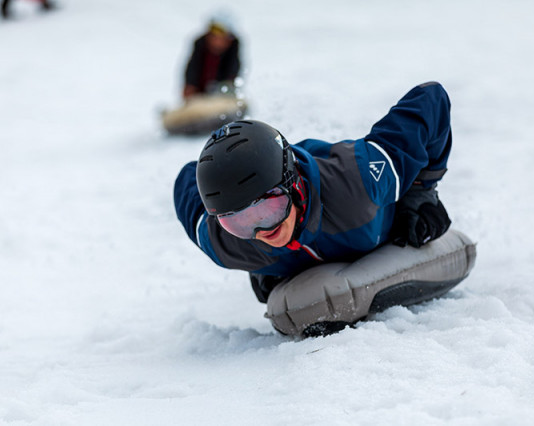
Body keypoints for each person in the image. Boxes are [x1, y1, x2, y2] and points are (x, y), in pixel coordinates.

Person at [174, 82, 456, 332]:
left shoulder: (359, 182)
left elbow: (431, 99)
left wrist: (421, 190)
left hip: (377, 223)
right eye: (240, 222)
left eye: (269, 209)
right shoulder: (228, 243)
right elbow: (185, 181)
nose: (262, 230)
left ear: (293, 185)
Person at [182, 20, 240, 100]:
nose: (216, 41)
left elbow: (232, 76)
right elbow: (192, 70)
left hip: (221, 97)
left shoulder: (232, 53)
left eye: (220, 37)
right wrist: (190, 86)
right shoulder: (200, 48)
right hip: (198, 96)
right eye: (213, 36)